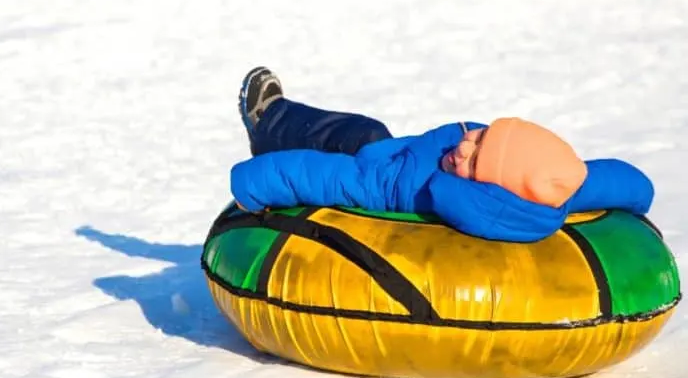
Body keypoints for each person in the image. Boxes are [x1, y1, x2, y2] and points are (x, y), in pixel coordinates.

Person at [230, 67, 655, 242]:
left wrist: (250, 186)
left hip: (377, 160)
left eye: (475, 158)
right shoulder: (544, 192)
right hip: (404, 155)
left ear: (490, 187)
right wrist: (638, 198)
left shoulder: (404, 189)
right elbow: (611, 179)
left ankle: (269, 121)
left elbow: (325, 176)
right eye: (480, 136)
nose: (464, 145)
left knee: (356, 134)